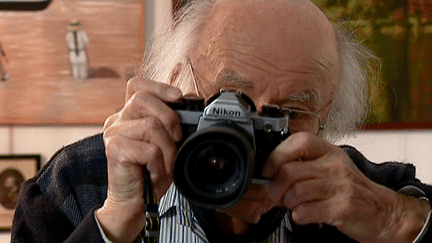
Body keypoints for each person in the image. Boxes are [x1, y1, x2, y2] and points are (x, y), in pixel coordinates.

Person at [11, 0, 432, 242]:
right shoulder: (77, 183)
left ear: (327, 121)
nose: (249, 140)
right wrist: (113, 222)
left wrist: (395, 219)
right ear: (177, 84)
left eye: (289, 115)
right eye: (232, 100)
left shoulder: (357, 192)